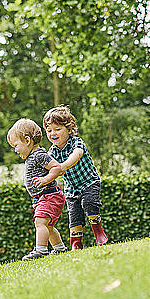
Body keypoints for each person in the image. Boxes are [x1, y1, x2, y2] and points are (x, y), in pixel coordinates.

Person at [43, 105, 108, 250]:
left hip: (89, 182)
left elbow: (77, 155)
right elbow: (48, 167)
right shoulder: (51, 152)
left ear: (69, 129)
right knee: (74, 217)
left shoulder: (76, 142)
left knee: (90, 203)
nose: (53, 133)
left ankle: (99, 232)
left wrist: (63, 166)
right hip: (71, 189)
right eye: (49, 130)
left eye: (57, 129)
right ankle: (76, 244)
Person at [7, 118, 69, 260]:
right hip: (43, 197)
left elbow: (57, 168)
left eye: (16, 145)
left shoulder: (39, 155)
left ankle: (41, 250)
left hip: (49, 195)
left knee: (40, 223)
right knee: (48, 226)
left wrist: (46, 179)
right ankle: (60, 248)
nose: (15, 150)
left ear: (27, 140)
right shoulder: (31, 156)